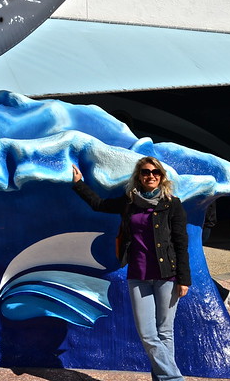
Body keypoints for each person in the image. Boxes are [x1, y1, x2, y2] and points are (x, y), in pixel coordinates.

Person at [72, 156, 190, 381]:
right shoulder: (129, 202)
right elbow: (99, 204)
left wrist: (184, 279)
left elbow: (181, 243)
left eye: (156, 172)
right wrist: (78, 184)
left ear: (162, 176)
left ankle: (164, 379)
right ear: (139, 176)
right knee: (147, 334)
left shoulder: (172, 204)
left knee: (165, 332)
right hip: (138, 274)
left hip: (168, 275)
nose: (151, 176)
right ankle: (175, 378)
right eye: (146, 172)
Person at [201, 201, 230, 308]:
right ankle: (222, 293)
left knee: (191, 269)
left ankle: (222, 293)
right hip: (203, 224)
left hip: (201, 226)